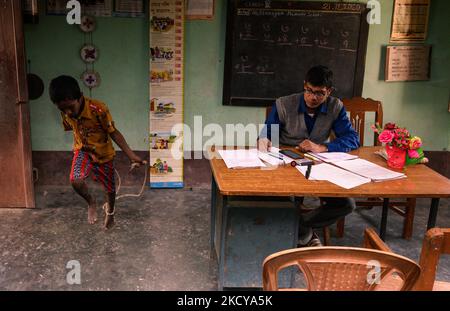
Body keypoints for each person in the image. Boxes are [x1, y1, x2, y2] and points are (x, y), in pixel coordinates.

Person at [258, 65, 360, 247]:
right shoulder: (284, 103)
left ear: (329, 91)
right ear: (304, 85)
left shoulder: (335, 107)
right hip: (286, 164)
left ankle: (301, 228)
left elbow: (352, 139)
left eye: (319, 93)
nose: (312, 97)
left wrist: (323, 147)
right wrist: (264, 139)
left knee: (347, 204)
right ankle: (301, 235)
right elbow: (269, 132)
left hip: (318, 165)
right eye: (309, 91)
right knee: (287, 199)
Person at [49, 75, 145, 230]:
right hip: (83, 151)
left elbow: (113, 132)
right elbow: (72, 128)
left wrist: (131, 155)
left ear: (79, 97)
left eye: (70, 107)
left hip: (103, 154)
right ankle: (91, 203)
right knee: (76, 180)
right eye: (62, 109)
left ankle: (111, 213)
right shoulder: (65, 111)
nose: (67, 112)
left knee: (110, 190)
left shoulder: (98, 109)